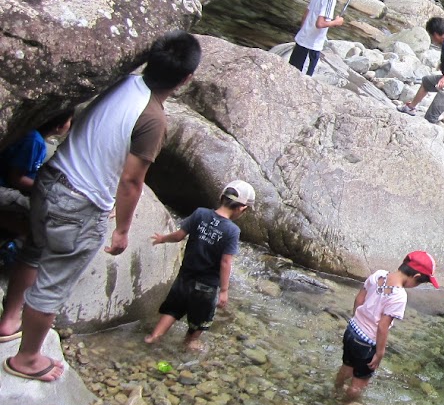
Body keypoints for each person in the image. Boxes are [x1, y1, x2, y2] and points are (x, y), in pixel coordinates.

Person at [0, 31, 202, 381]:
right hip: (79, 203)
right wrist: (123, 229)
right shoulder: (153, 119)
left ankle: (8, 321)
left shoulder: (122, 81)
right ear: (186, 79)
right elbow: (131, 181)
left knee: (33, 251)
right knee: (53, 284)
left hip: (51, 179)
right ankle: (27, 359)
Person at [144, 179, 254, 350]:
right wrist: (224, 291)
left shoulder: (200, 214)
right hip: (207, 287)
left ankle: (153, 338)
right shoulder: (232, 231)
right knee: (198, 324)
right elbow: (226, 262)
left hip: (184, 278)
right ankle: (188, 345)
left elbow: (179, 235)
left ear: (221, 196)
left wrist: (162, 239)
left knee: (172, 311)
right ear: (242, 208)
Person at [334, 250, 438, 402]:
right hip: (367, 342)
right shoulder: (399, 296)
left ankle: (335, 391)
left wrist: (357, 321)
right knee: (359, 383)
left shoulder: (379, 274)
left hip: (352, 330)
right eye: (419, 283)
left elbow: (359, 299)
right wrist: (380, 352)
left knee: (347, 366)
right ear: (415, 277)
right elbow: (383, 326)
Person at [0, 112, 73, 260]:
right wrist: (45, 190)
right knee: (43, 213)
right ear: (59, 126)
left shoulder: (38, 142)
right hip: (5, 187)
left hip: (13, 187)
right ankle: (12, 248)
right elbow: (15, 178)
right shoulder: (34, 141)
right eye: (70, 121)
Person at [397, 17, 444, 123]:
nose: (432, 39)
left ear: (435, 34)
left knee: (430, 118)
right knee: (426, 81)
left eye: (431, 36)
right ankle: (411, 108)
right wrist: (443, 64)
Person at [290, 0, 347, 76]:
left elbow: (306, 14)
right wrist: (336, 22)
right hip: (312, 46)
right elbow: (320, 23)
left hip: (301, 40)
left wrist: (303, 32)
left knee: (291, 73)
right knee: (305, 78)